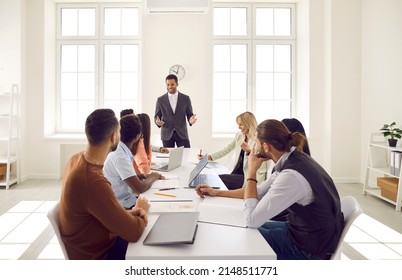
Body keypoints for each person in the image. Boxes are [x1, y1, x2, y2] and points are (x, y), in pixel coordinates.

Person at [197, 119, 344, 260]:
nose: (254, 147)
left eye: (257, 143)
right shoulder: (291, 159)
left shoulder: (291, 176)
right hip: (302, 232)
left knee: (241, 235)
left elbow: (252, 220)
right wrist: (217, 192)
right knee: (238, 227)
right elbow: (258, 192)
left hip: (308, 250)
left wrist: (252, 171)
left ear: (266, 147)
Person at [59, 109, 150, 260]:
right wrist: (140, 208)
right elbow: (134, 233)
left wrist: (130, 213)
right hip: (99, 255)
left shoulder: (75, 160)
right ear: (114, 137)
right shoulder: (92, 181)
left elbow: (95, 212)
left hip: (88, 242)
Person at [198, 111, 274, 190]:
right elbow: (227, 149)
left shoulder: (259, 138)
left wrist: (249, 151)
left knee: (218, 180)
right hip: (238, 173)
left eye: (241, 124)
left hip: (250, 176)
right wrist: (209, 157)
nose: (239, 127)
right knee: (214, 179)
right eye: (238, 125)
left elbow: (262, 160)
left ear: (248, 123)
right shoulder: (240, 135)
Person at [103, 114, 164, 209]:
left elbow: (127, 176)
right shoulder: (120, 156)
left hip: (125, 200)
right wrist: (152, 177)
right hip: (123, 205)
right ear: (138, 135)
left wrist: (145, 176)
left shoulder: (120, 149)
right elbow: (139, 188)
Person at [154, 74, 197, 148]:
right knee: (168, 158)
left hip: (182, 133)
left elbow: (189, 114)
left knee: (186, 155)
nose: (170, 86)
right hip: (167, 134)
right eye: (168, 84)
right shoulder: (160, 100)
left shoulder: (185, 98)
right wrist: (157, 122)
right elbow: (156, 116)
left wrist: (191, 120)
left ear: (177, 84)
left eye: (172, 84)